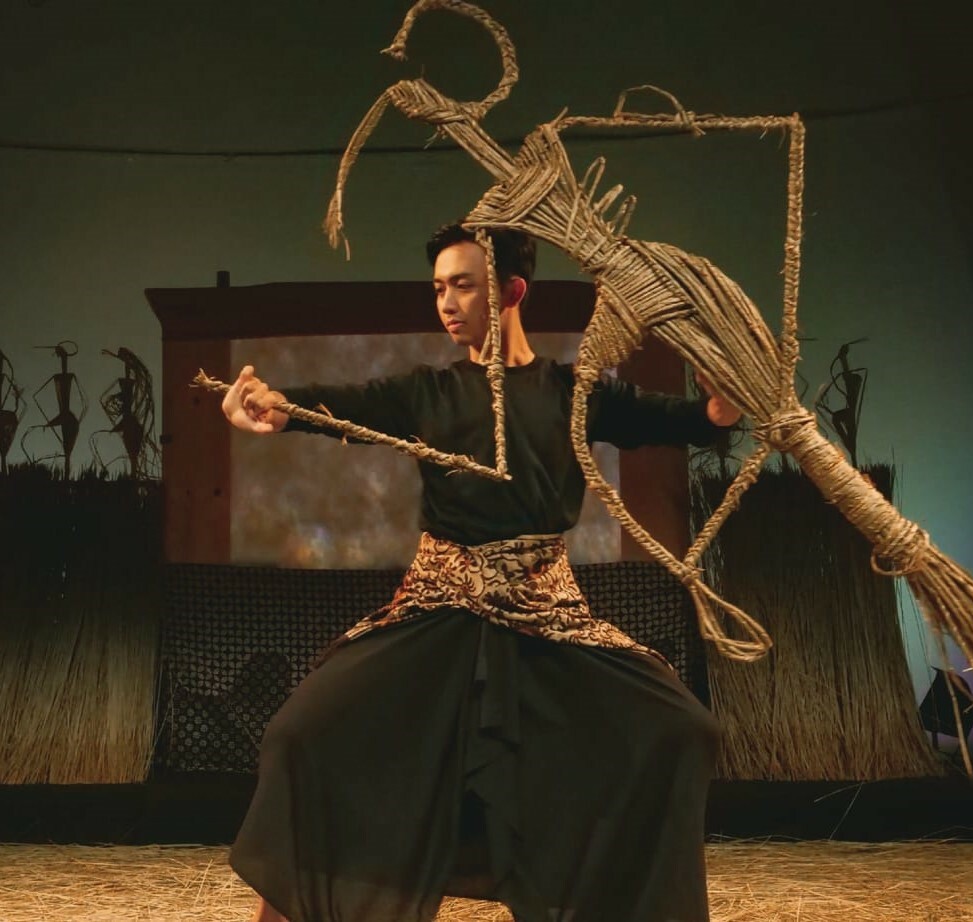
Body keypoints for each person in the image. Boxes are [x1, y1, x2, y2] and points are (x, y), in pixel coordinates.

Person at [221, 222, 740, 922]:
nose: (446, 302)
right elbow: (344, 403)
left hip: (545, 620)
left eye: (463, 285)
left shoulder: (571, 394)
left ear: (512, 292)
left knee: (683, 730)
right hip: (439, 613)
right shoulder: (429, 394)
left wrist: (719, 409)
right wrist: (274, 405)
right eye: (439, 287)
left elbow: (684, 419)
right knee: (300, 735)